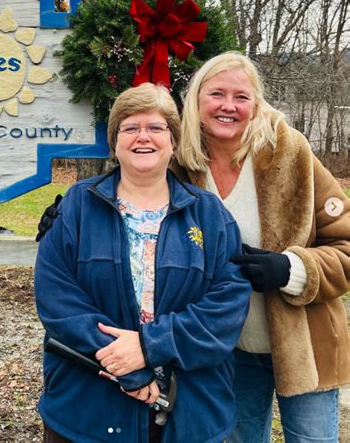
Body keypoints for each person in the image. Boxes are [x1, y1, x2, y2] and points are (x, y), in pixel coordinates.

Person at [34, 83, 251, 443]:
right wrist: (125, 365)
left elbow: (227, 303)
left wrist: (151, 346)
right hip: (87, 407)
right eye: (130, 128)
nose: (142, 137)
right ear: (115, 142)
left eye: (155, 127)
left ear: (173, 140)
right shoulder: (77, 206)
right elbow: (57, 297)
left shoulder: (209, 214)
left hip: (188, 410)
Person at [173, 51, 350, 442]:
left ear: (256, 103)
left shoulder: (290, 152)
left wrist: (293, 269)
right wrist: (73, 209)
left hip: (305, 343)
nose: (228, 106)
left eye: (241, 97)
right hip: (226, 346)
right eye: (217, 94)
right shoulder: (180, 165)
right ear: (196, 99)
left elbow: (346, 243)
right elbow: (130, 199)